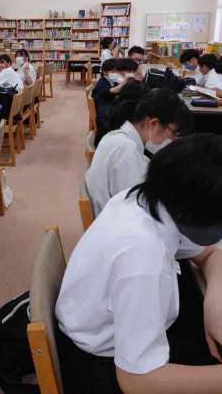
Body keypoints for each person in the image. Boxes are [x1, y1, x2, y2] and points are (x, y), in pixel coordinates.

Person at [57, 134, 222, 394]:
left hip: (110, 336)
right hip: (105, 366)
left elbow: (211, 254)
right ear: (195, 212)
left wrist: (214, 308)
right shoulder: (143, 257)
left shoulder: (144, 199)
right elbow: (136, 382)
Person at [86, 88, 192, 217]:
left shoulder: (120, 138)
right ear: (153, 124)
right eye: (174, 134)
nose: (173, 141)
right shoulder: (125, 149)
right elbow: (136, 210)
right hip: (114, 221)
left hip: (111, 217)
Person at [92, 59, 138, 146]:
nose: (116, 74)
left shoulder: (110, 81)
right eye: (113, 71)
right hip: (105, 123)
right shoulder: (102, 83)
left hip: (107, 117)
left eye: (117, 71)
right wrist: (126, 80)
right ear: (104, 72)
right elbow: (113, 90)